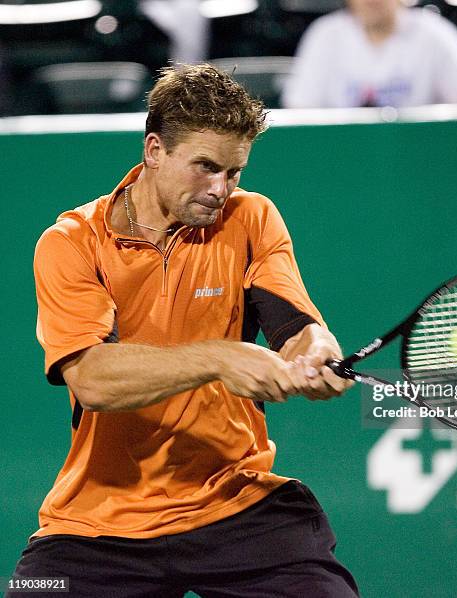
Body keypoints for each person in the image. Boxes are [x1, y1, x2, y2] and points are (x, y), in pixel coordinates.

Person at [7, 64, 359, 597]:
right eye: (205, 166)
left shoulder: (251, 218)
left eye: (234, 171)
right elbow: (92, 380)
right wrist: (220, 358)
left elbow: (295, 323)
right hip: (98, 525)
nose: (221, 188)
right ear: (154, 150)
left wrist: (315, 356)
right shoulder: (70, 242)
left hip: (238, 505)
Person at [282, 0, 457, 109]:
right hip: (342, 156)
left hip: (420, 155)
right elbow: (301, 107)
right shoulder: (324, 35)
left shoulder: (437, 34)